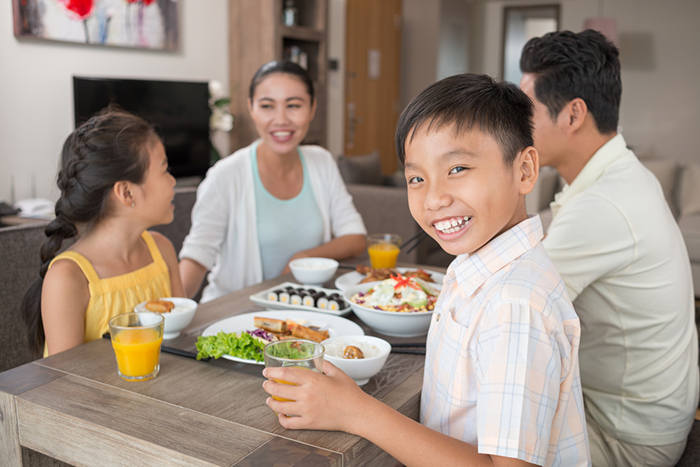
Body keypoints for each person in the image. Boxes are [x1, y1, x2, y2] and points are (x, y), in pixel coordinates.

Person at [262, 73, 590, 467]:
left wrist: (355, 411)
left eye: (457, 169)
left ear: (523, 170)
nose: (434, 198)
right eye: (417, 178)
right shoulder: (480, 268)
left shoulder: (515, 305)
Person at [520, 30, 698, 466]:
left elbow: (515, 300)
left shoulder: (605, 203)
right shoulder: (619, 176)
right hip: (639, 414)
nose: (514, 125)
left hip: (625, 439)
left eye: (525, 111)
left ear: (573, 114)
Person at [179, 60, 366, 302]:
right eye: (267, 106)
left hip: (304, 309)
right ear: (251, 108)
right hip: (235, 312)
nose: (280, 120)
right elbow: (198, 254)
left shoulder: (322, 162)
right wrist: (171, 312)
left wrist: (303, 258)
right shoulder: (225, 175)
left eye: (294, 105)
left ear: (312, 108)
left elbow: (356, 238)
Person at [21, 107, 185, 357]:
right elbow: (64, 384)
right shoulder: (69, 277)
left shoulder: (162, 250)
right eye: (164, 170)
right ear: (127, 192)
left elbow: (182, 341)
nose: (173, 181)